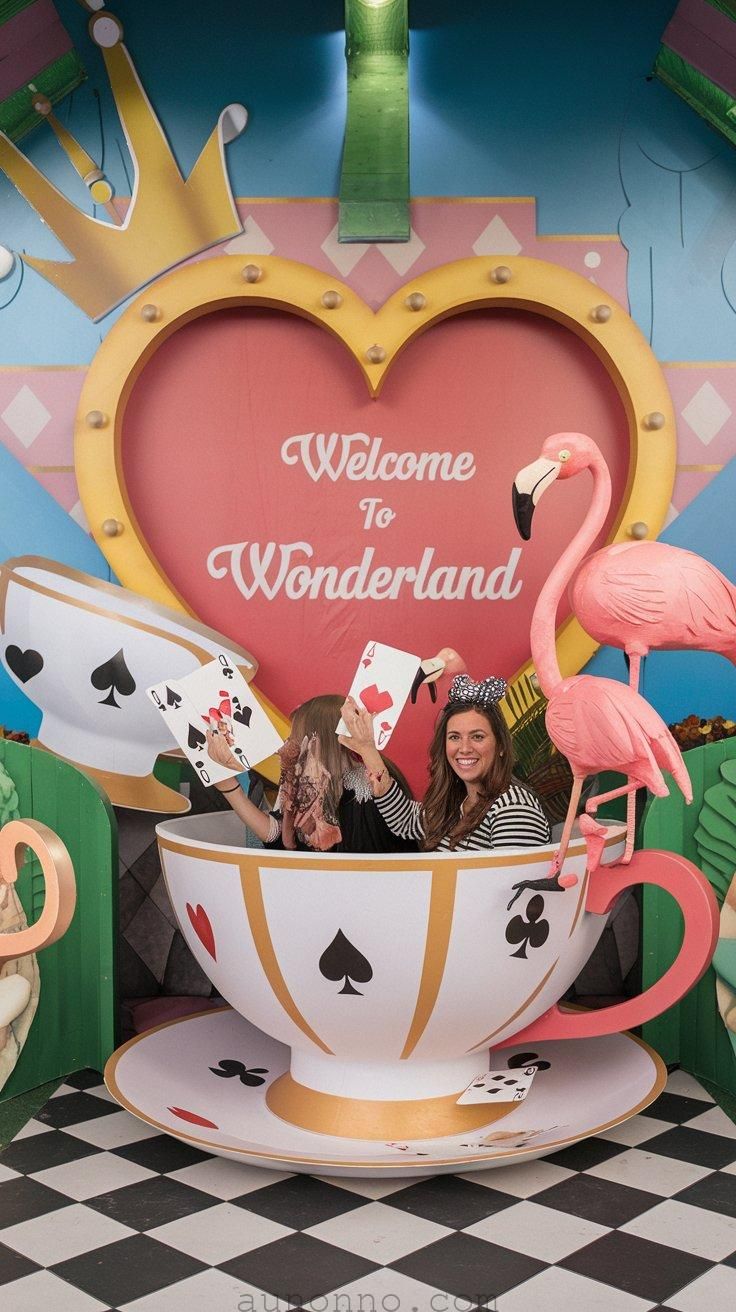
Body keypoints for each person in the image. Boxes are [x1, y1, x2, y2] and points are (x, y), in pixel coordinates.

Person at [339, 673, 551, 851]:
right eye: (455, 737)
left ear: (502, 746)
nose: (464, 748)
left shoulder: (512, 808)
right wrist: (367, 748)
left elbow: (512, 893)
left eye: (477, 736)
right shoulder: (458, 801)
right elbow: (405, 821)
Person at [206, 693, 416, 853]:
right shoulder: (305, 785)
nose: (291, 743)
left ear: (320, 740)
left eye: (297, 736)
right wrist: (228, 787)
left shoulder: (374, 786)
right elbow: (280, 837)